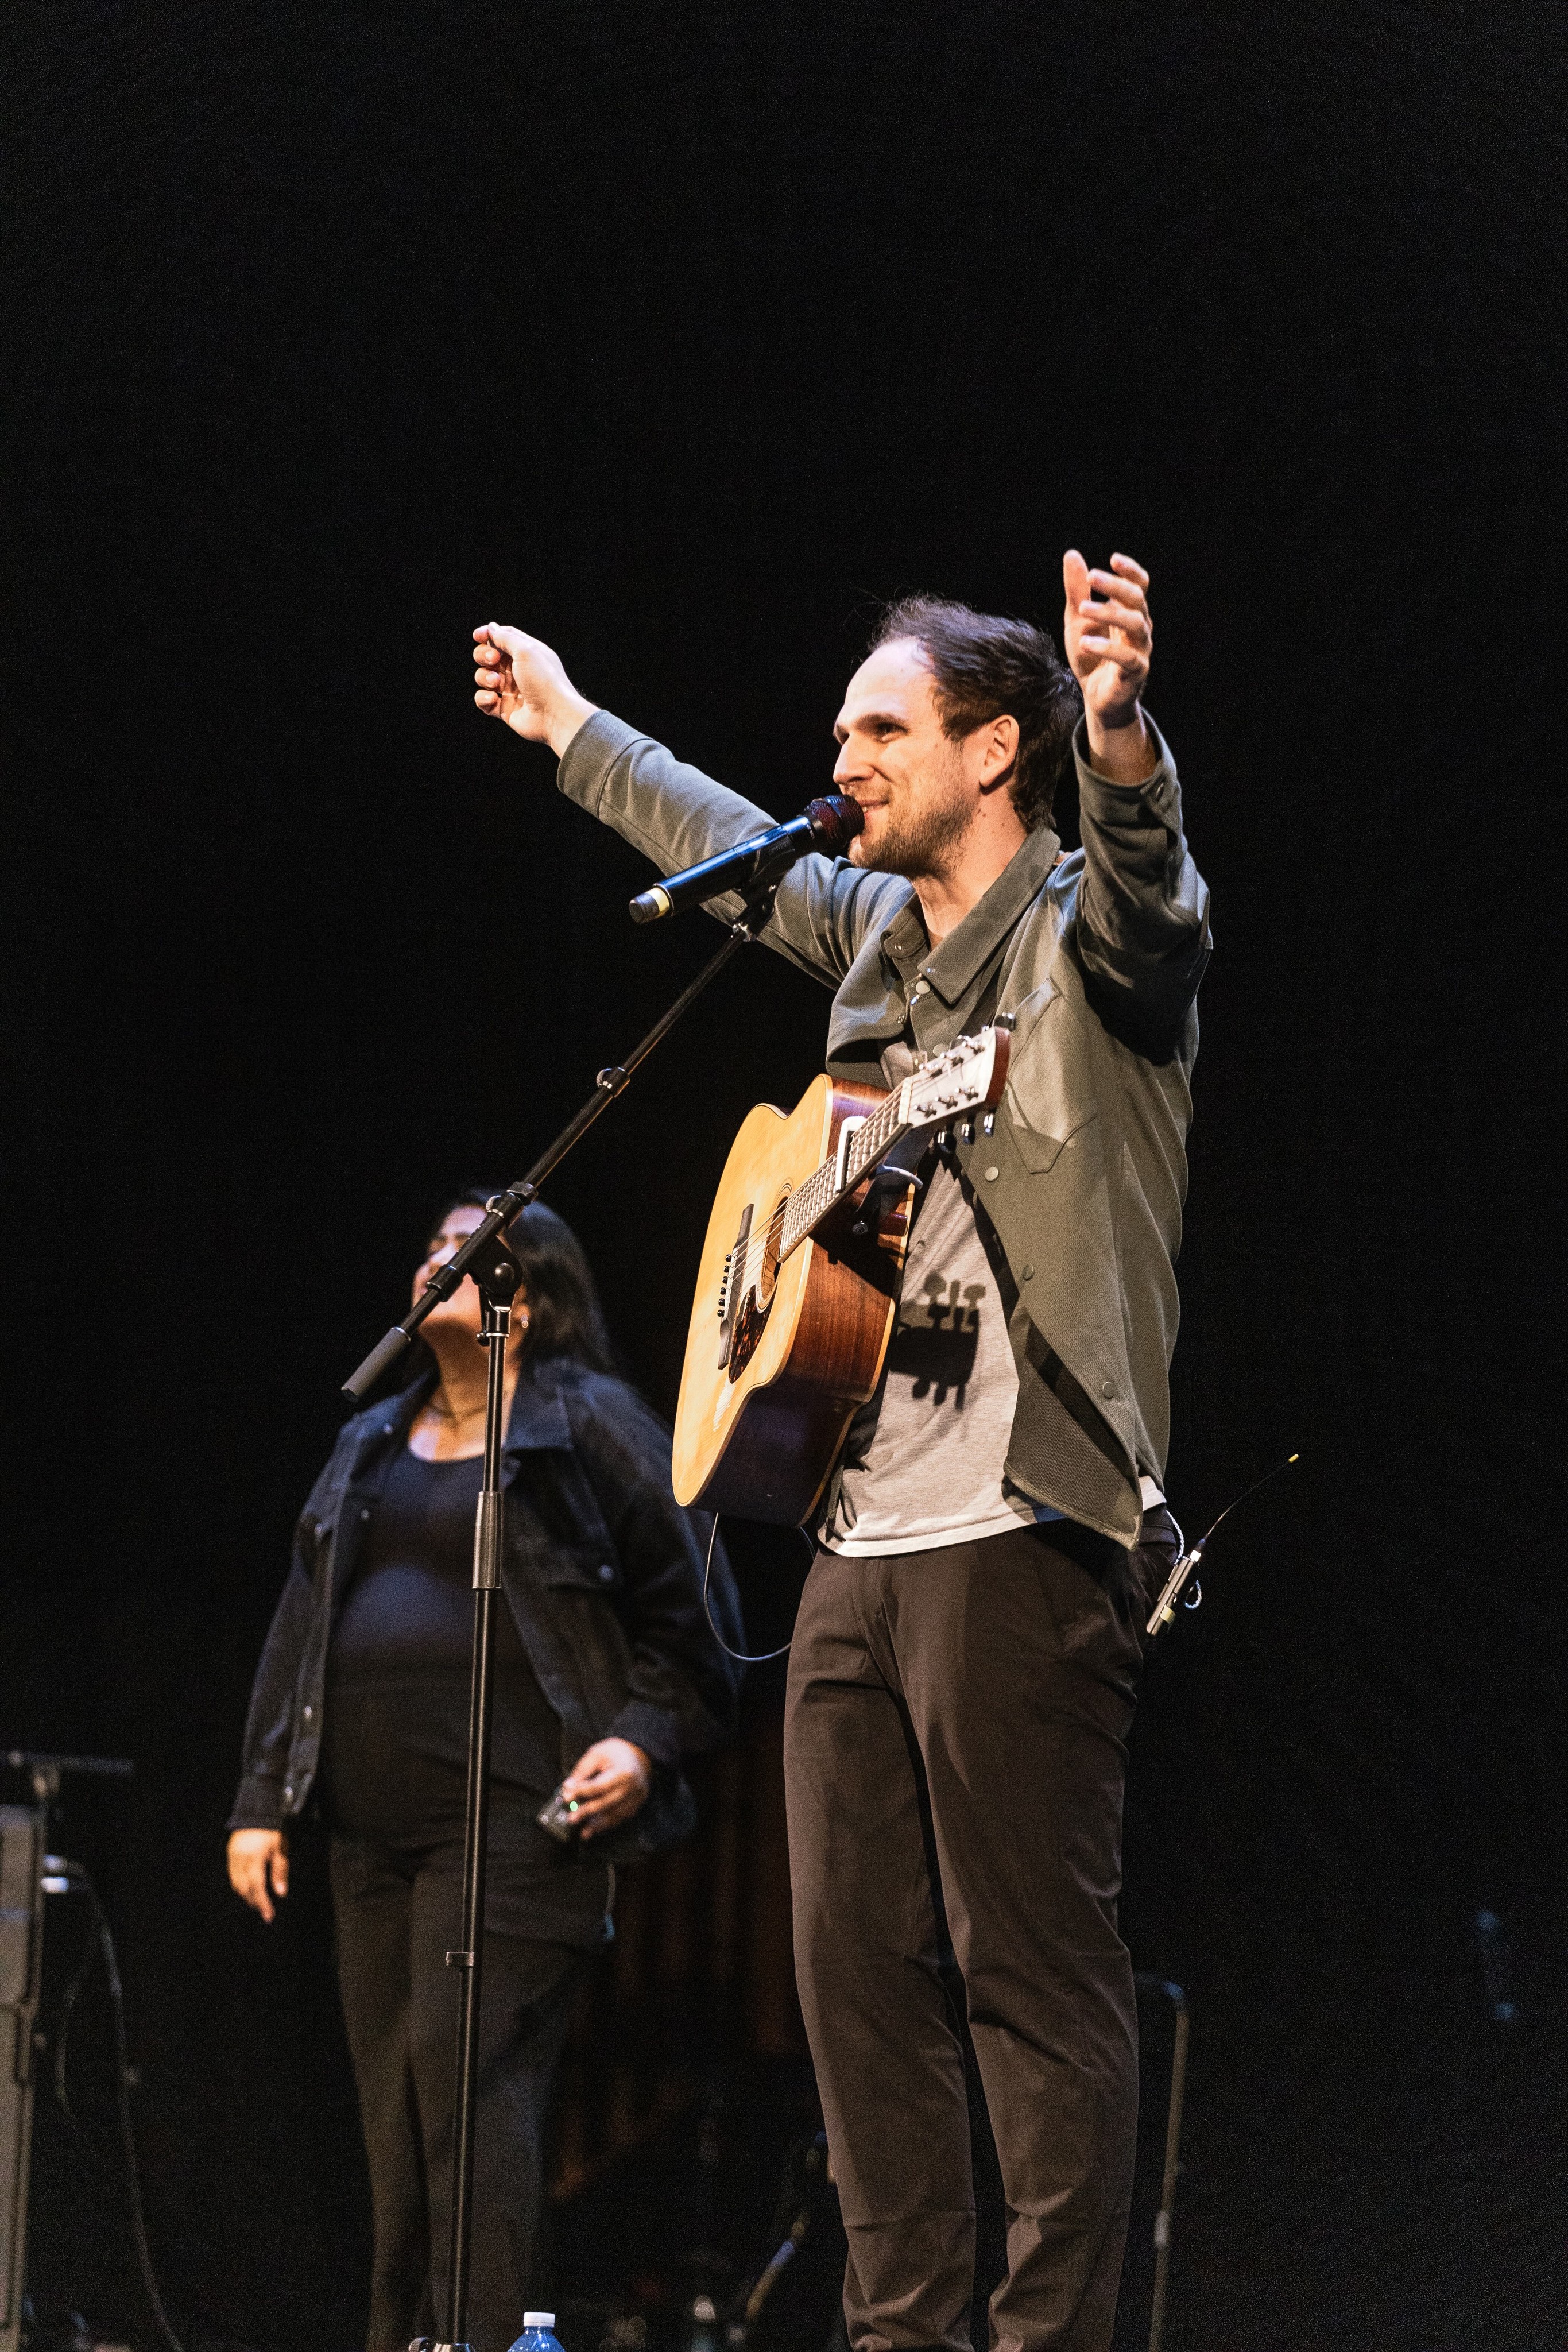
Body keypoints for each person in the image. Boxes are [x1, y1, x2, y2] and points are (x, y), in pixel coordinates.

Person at [470, 553, 1210, 2352]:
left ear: (993, 750)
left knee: (1028, 1977)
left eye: (879, 730)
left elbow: (1150, 892)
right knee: (854, 1988)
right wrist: (572, 727)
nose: (842, 758)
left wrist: (1121, 738)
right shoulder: (874, 934)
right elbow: (729, 842)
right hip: (857, 1531)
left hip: (1022, 1519)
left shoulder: (1090, 936)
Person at [227, 1195, 741, 2350]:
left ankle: (486, 2337)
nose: (435, 1260)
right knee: (396, 2113)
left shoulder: (587, 1424)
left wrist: (642, 1736)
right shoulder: (372, 1440)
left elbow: (698, 1608)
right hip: (371, 1834)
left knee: (467, 2087)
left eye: (465, 1249)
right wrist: (261, 1799)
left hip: (516, 1826)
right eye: (430, 1245)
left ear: (533, 1292)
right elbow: (302, 1621)